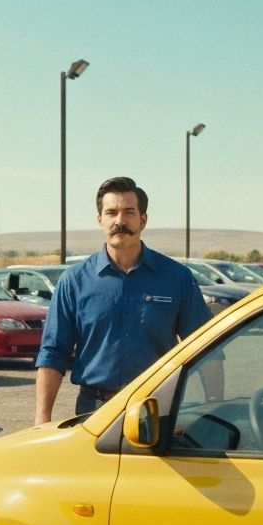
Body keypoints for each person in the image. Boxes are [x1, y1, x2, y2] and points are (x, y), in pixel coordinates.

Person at [34, 175, 221, 425]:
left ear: (143, 219)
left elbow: (206, 347)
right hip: (93, 414)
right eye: (111, 213)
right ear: (100, 220)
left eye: (129, 212)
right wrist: (42, 419)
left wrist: (214, 410)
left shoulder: (177, 278)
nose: (119, 221)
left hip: (158, 412)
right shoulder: (74, 281)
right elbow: (53, 352)